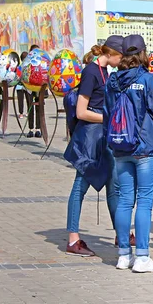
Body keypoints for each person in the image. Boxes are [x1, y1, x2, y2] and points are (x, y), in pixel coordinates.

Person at [104, 34, 153, 273]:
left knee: (124, 200)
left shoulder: (112, 81)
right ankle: (142, 257)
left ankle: (123, 255)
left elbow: (108, 114)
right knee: (144, 202)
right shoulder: (147, 79)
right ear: (142, 53)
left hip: (121, 147)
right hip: (146, 147)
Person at [63, 36, 123, 257]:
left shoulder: (106, 72)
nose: (122, 61)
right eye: (121, 57)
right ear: (111, 54)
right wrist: (108, 118)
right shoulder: (90, 71)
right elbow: (81, 111)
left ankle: (121, 233)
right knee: (80, 186)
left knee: (113, 185)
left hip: (103, 137)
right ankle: (73, 238)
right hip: (89, 137)